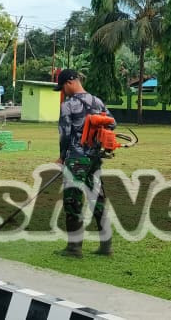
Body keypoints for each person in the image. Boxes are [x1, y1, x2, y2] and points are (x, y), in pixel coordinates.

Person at [54, 68, 113, 257]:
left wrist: (62, 156)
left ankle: (74, 247)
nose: (63, 91)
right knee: (97, 198)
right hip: (95, 158)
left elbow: (65, 134)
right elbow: (112, 124)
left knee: (72, 200)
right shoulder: (97, 101)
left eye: (63, 87)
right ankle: (106, 246)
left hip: (76, 158)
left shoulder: (68, 105)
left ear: (71, 81)